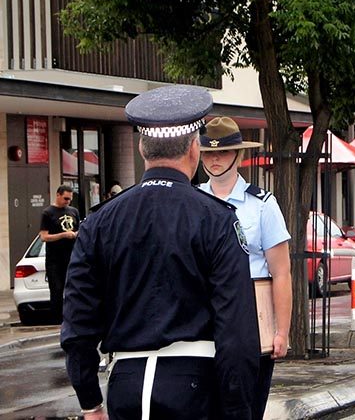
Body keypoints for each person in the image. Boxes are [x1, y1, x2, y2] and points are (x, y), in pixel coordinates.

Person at [61, 85, 260, 420]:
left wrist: (90, 400)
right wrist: (239, 408)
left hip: (126, 385)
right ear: (194, 148)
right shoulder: (216, 219)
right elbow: (236, 332)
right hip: (195, 385)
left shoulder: (100, 222)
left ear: (142, 147)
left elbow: (78, 323)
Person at [198, 116, 292, 419]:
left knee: (245, 407)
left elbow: (281, 272)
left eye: (222, 152)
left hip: (251, 318)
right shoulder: (193, 199)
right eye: (208, 153)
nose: (214, 160)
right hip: (201, 320)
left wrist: (282, 331)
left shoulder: (262, 204)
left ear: (238, 155)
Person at [39, 184, 80, 324]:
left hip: (72, 257)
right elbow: (44, 237)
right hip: (55, 259)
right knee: (56, 291)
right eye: (65, 198)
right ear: (58, 195)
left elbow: (79, 231)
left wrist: (75, 234)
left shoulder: (73, 211)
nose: (67, 202)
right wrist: (63, 235)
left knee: (74, 289)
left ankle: (73, 319)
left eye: (70, 199)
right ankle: (57, 320)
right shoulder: (48, 213)